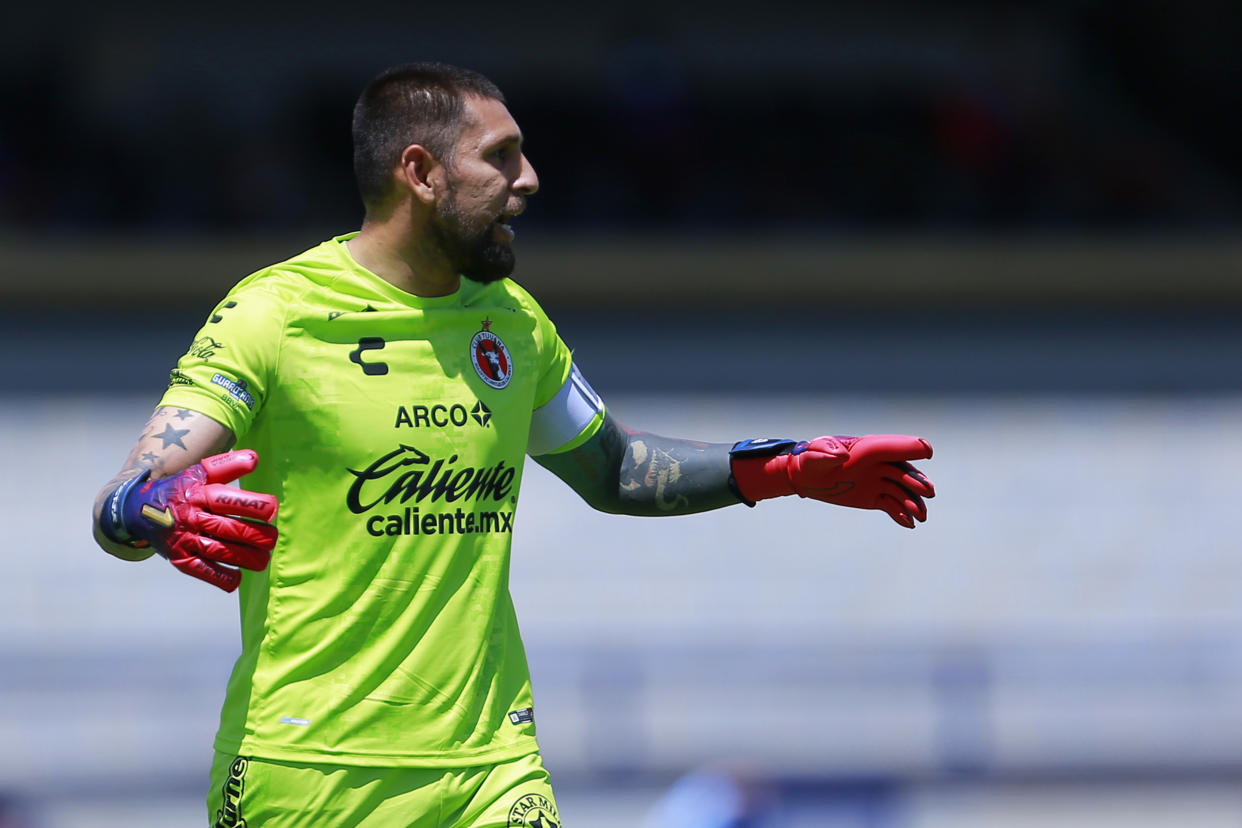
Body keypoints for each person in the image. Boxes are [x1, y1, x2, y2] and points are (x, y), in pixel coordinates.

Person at [91, 62, 935, 828]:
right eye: (501, 157)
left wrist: (783, 468)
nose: (528, 180)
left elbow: (618, 470)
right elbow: (126, 495)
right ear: (420, 172)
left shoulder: (512, 322)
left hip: (493, 769)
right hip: (309, 769)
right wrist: (155, 507)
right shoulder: (275, 314)